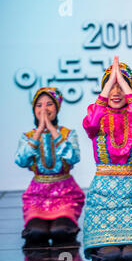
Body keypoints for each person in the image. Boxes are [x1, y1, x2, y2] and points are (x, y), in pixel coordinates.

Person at [82, 56, 132, 261]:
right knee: (108, 258)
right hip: (103, 199)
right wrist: (107, 88)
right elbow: (91, 122)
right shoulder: (95, 116)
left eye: (121, 86)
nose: (116, 92)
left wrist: (124, 84)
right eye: (110, 86)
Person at [15, 87, 84, 245]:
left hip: (65, 194)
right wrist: (39, 131)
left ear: (57, 108)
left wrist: (52, 130)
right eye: (39, 105)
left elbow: (73, 157)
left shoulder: (68, 134)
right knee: (36, 234)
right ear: (34, 109)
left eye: (49, 104)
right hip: (37, 196)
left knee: (60, 232)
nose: (44, 109)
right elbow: (21, 160)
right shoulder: (28, 137)